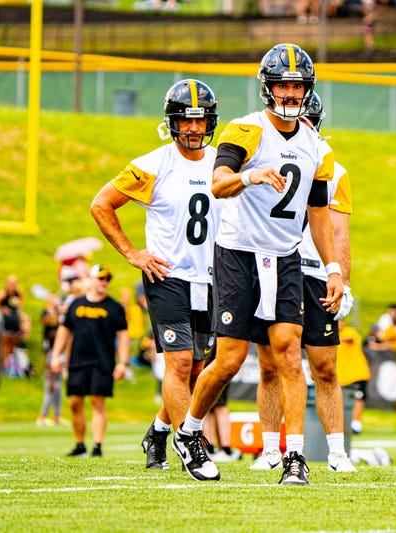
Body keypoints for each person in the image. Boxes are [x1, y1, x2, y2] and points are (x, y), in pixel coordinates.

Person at [172, 44, 343, 485]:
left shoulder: (315, 147)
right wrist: (250, 175)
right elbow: (217, 184)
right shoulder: (245, 130)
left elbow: (319, 212)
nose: (290, 92)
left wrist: (333, 269)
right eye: (283, 84)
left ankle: (295, 458)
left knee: (288, 352)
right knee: (230, 359)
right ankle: (189, 431)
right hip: (238, 252)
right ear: (268, 88)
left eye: (297, 85)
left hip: (285, 256)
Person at [89, 78, 221, 471]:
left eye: (201, 121)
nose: (194, 128)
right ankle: (190, 444)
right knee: (179, 364)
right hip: (167, 275)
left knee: (197, 370)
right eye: (186, 120)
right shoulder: (153, 164)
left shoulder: (222, 161)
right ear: (172, 122)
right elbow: (101, 204)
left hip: (211, 277)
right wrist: (132, 253)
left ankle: (159, 433)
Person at [251, 92, 356, 474]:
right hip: (275, 264)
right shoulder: (263, 151)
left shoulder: (333, 169)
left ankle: (337, 452)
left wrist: (341, 279)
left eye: (310, 120)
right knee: (271, 365)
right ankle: (269, 450)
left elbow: (340, 232)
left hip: (315, 272)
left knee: (325, 366)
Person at [50, 265, 129, 458]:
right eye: (101, 278)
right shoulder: (76, 304)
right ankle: (80, 446)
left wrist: (123, 362)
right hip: (77, 361)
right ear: (92, 280)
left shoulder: (114, 307)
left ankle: (97, 446)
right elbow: (64, 330)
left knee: (97, 401)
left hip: (102, 362)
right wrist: (55, 355)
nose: (104, 282)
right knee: (75, 402)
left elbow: (123, 336)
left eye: (107, 279)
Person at [336, 320, 370, 435]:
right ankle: (343, 424)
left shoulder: (349, 332)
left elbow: (350, 339)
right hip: (342, 376)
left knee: (358, 398)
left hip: (356, 373)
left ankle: (356, 424)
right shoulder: (332, 336)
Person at [0, 275, 29, 360]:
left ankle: (10, 361)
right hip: (4, 320)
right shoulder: (3, 293)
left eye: (14, 283)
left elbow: (19, 308)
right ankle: (1, 361)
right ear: (6, 283)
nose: (12, 285)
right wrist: (1, 308)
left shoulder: (18, 294)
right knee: (4, 341)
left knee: (13, 341)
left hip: (14, 320)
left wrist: (21, 318)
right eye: (10, 283)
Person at [37, 292, 63, 427]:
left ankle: (57, 416)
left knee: (59, 392)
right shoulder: (46, 312)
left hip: (57, 350)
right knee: (50, 390)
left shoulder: (58, 312)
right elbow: (44, 321)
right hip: (50, 347)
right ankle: (42, 416)